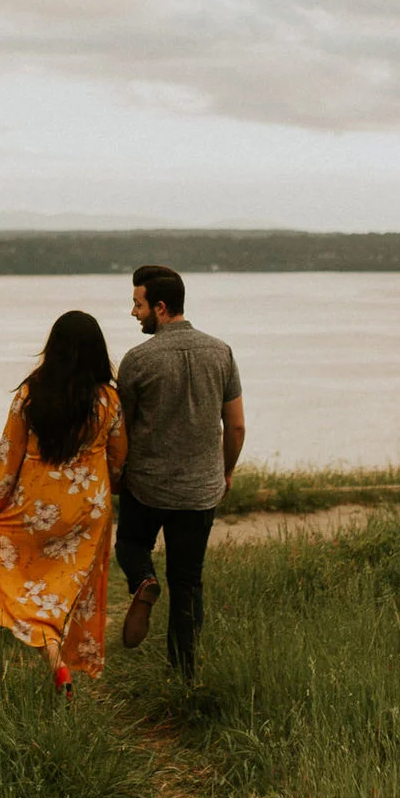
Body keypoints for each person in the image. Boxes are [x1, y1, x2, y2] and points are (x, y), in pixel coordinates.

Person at [0, 309, 127, 694]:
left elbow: (7, 462)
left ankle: (50, 652)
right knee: (69, 589)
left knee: (4, 566)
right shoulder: (108, 400)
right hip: (88, 511)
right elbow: (118, 461)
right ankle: (60, 656)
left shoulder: (30, 395)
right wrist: (105, 488)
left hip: (34, 510)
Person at [114, 264, 244, 678]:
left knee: (131, 546)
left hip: (146, 487)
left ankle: (143, 581)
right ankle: (183, 676)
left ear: (161, 306)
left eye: (138, 305)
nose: (133, 313)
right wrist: (224, 474)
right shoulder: (221, 352)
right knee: (188, 582)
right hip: (199, 491)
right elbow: (236, 426)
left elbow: (123, 429)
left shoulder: (136, 361)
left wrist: (117, 475)